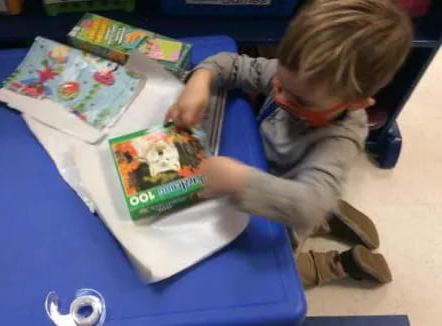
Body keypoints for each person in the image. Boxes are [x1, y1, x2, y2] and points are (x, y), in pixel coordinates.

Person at [165, 0, 412, 287]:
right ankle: (330, 216)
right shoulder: (297, 78)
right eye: (280, 83)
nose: (281, 97)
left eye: (300, 101)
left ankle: (336, 264)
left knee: (261, 278)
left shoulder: (339, 141)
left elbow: (307, 205)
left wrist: (237, 180)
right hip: (272, 182)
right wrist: (201, 80)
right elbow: (232, 64)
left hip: (290, 214)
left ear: (355, 102)